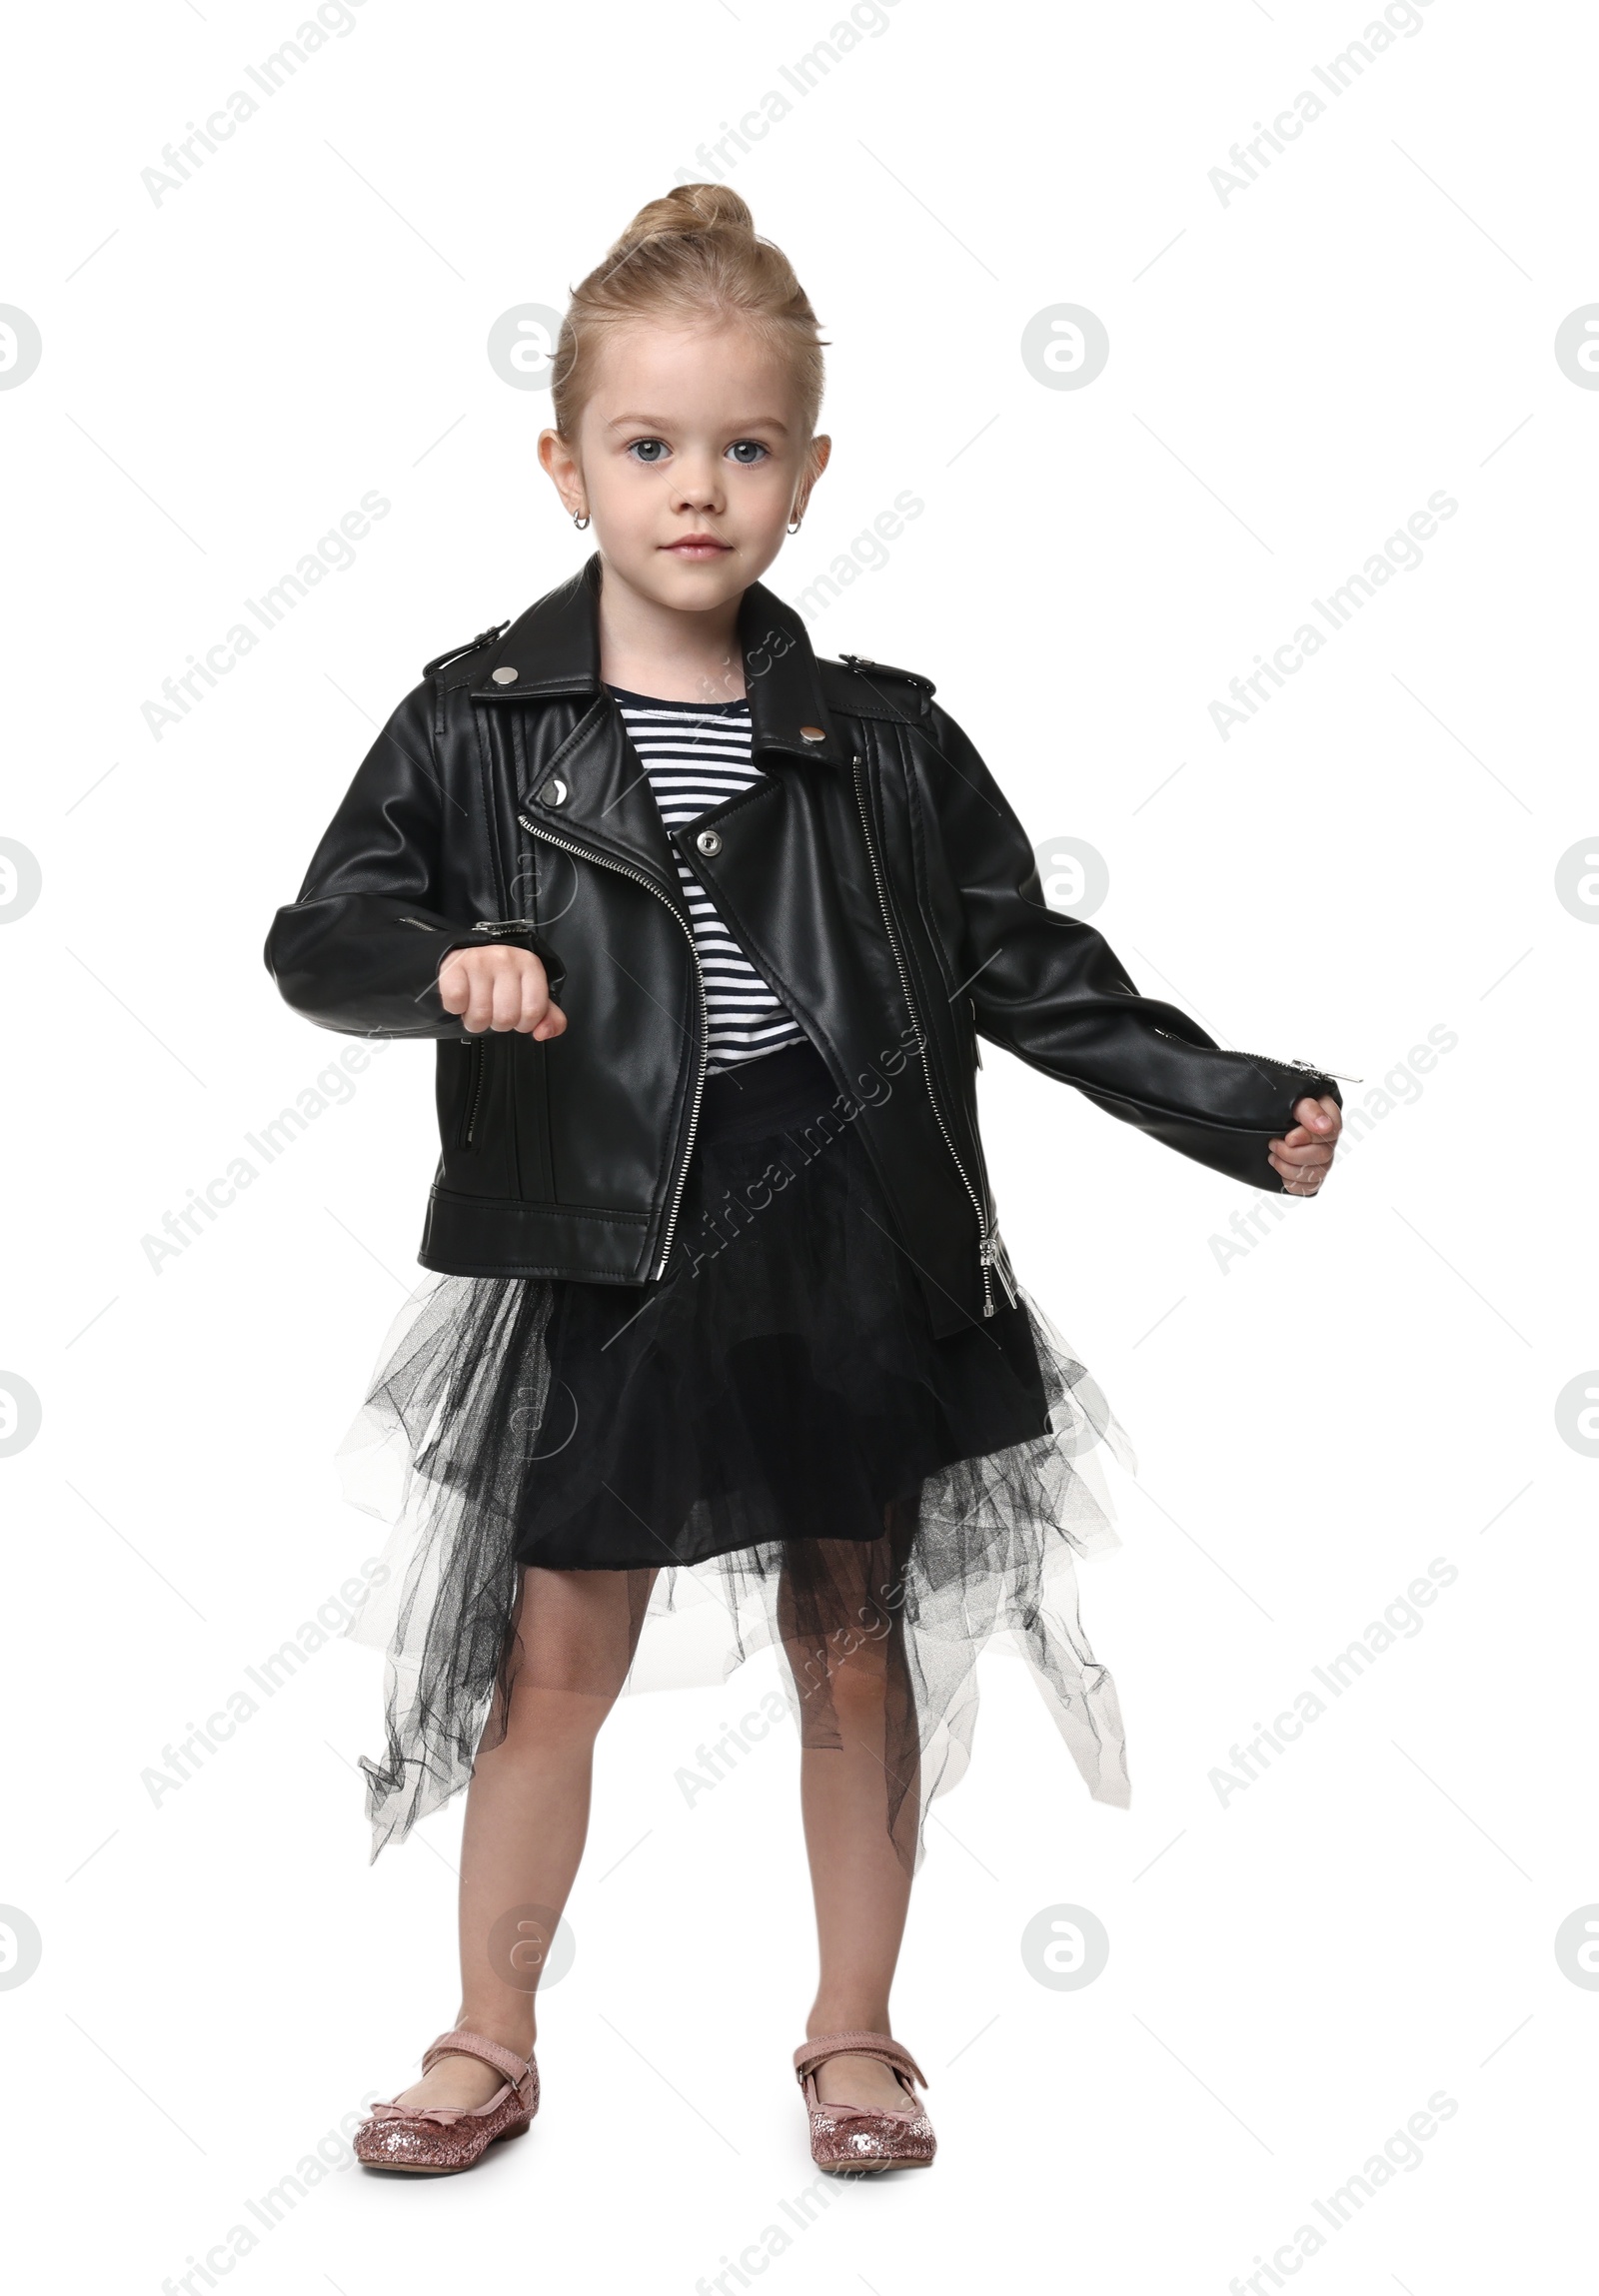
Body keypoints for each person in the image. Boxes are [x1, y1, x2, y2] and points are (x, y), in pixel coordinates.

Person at [264, 182, 1343, 2179]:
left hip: (847, 1231)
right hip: (609, 1238)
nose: (696, 490)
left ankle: (853, 2030)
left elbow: (1018, 962)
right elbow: (317, 934)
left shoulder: (882, 743)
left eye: (744, 448)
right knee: (548, 1659)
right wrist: (441, 969)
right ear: (562, 461)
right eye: (648, 446)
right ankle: (483, 2031)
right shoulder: (473, 727)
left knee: (853, 1640)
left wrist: (1212, 1097)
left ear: (808, 471)